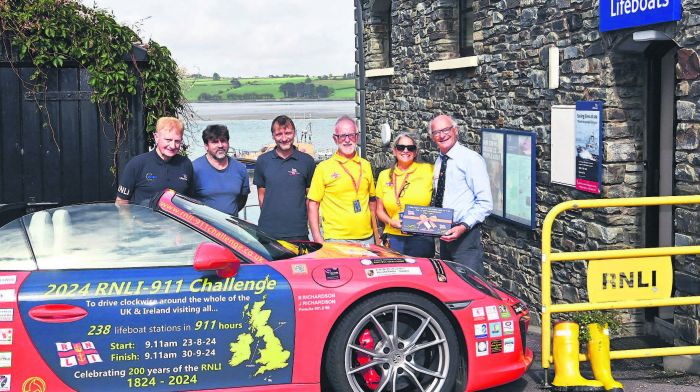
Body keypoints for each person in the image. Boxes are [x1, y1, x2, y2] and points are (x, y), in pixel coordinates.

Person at [430, 114, 493, 274]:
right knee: (450, 286)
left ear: (456, 130)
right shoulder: (439, 161)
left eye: (446, 129)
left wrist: (463, 226)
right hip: (445, 235)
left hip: (466, 237)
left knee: (471, 285)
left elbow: (485, 203)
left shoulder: (471, 159)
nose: (442, 135)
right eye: (437, 132)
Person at [307, 115, 379, 245]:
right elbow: (313, 204)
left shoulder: (366, 165)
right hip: (336, 239)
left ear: (357, 137)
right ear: (335, 139)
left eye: (351, 135)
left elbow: (372, 202)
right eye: (342, 136)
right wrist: (317, 238)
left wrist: (377, 236)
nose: (347, 140)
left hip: (367, 238)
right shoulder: (323, 168)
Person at [254, 115, 315, 240]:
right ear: (273, 136)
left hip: (298, 232)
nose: (284, 138)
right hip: (267, 232)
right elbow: (261, 197)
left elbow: (310, 199)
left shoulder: (307, 161)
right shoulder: (262, 161)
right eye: (279, 134)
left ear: (294, 133)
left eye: (288, 133)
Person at [375, 132, 435, 257]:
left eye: (410, 148)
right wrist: (391, 222)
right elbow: (379, 210)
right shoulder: (384, 175)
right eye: (401, 147)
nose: (405, 151)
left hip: (421, 237)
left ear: (416, 151)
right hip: (393, 237)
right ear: (394, 150)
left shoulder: (429, 170)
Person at [116, 117, 193, 205]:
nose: (172, 145)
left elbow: (190, 202)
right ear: (156, 137)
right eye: (168, 140)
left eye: (177, 141)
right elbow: (121, 202)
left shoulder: (185, 164)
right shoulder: (137, 164)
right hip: (145, 218)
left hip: (175, 219)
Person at [192, 124, 250, 216]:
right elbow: (187, 200)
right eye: (215, 142)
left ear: (228, 143)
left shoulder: (240, 169)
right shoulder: (194, 169)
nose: (220, 145)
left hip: (231, 226)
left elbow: (242, 199)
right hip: (202, 227)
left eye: (223, 141)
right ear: (206, 146)